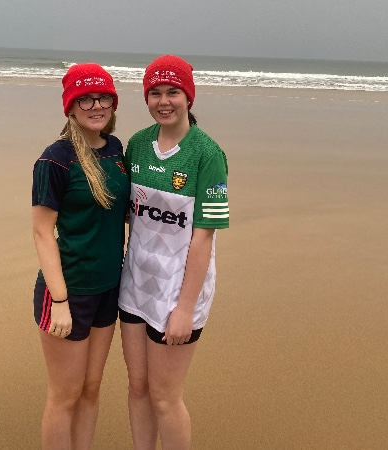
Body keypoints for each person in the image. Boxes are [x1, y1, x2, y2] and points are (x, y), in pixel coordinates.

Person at [118, 55, 229, 449]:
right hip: (135, 286)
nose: (164, 101)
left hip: (178, 294)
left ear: (188, 97)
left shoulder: (208, 154)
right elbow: (126, 212)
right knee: (138, 387)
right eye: (155, 93)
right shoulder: (137, 145)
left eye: (173, 92)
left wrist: (184, 309)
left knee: (166, 397)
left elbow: (203, 238)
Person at [31, 63, 129, 450]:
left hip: (109, 286)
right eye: (85, 99)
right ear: (70, 106)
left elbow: (122, 210)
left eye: (103, 97)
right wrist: (59, 300)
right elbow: (42, 232)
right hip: (68, 291)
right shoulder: (55, 160)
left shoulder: (116, 149)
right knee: (65, 395)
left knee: (91, 388)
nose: (96, 105)